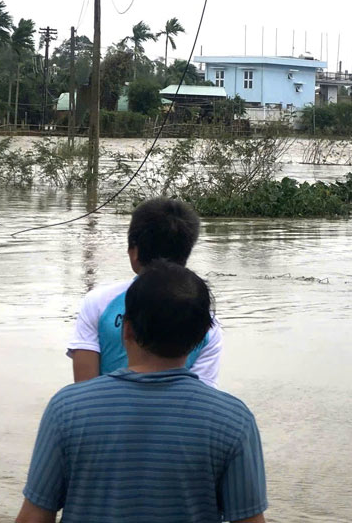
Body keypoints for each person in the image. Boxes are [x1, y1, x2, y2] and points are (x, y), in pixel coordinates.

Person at [16, 262, 267, 523]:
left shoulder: (67, 409)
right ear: (201, 335)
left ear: (127, 329)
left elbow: (34, 517)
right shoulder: (233, 420)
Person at [67, 198, 223, 387]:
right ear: (187, 251)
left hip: (104, 413)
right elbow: (202, 395)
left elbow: (83, 389)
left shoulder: (98, 302)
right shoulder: (205, 319)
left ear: (134, 250)